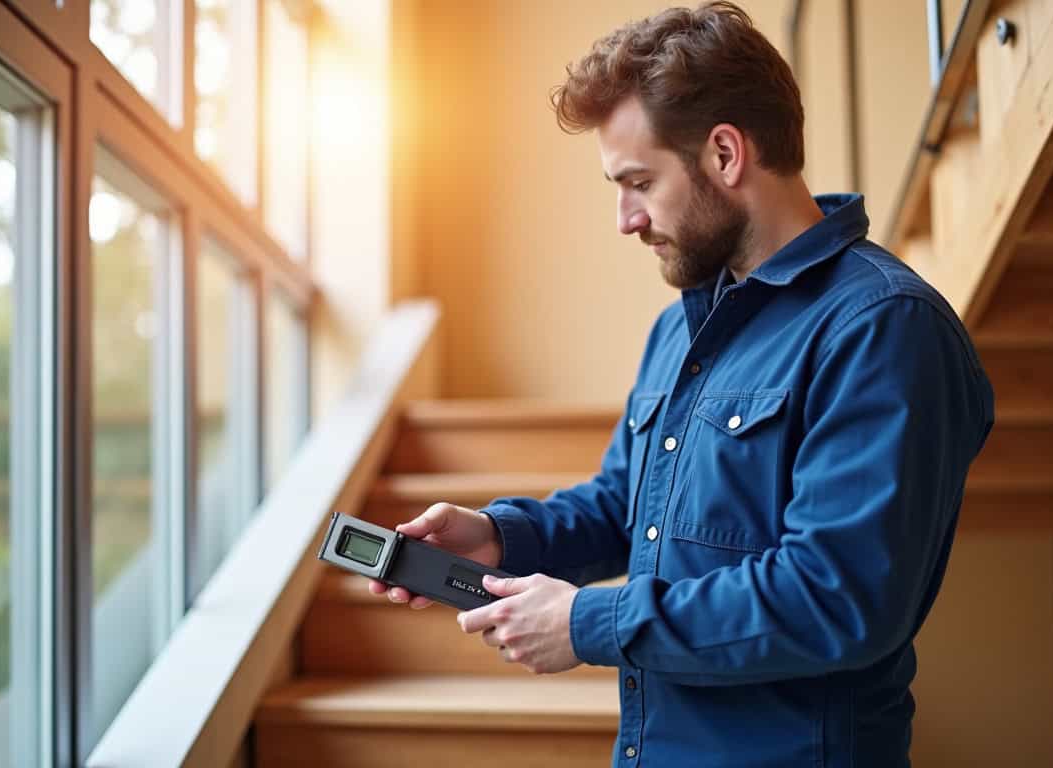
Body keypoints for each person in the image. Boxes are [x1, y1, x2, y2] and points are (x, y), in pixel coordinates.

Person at [370, 2, 994, 764]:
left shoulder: (882, 327)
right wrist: (502, 536)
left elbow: (836, 597)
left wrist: (589, 623)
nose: (625, 219)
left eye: (639, 182)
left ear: (726, 154)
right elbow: (625, 508)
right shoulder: (681, 328)